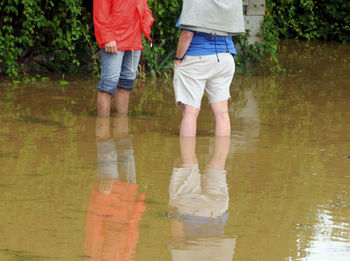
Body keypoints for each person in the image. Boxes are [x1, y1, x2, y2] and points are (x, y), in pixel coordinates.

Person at [173, 0, 245, 137]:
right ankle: (221, 158)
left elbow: (187, 34)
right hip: (225, 58)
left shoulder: (195, 2)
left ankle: (187, 158)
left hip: (197, 59)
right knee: (222, 113)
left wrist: (178, 59)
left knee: (190, 112)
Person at [93, 0, 154, 117]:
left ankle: (121, 129)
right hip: (113, 40)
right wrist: (107, 37)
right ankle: (102, 130)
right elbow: (100, 10)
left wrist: (147, 20)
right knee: (107, 86)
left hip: (134, 39)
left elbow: (142, 5)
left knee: (126, 85)